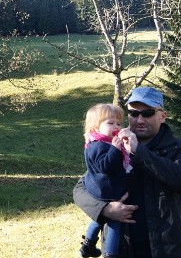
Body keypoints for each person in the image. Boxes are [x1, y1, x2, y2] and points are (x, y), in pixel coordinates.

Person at [73, 87, 181, 258]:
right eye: (133, 113)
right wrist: (104, 209)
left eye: (147, 113)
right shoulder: (113, 147)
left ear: (162, 116)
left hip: (167, 250)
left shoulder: (179, 147)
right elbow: (81, 189)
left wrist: (140, 152)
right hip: (121, 249)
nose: (140, 119)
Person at [79, 104, 133, 258]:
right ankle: (110, 253)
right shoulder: (97, 146)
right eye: (110, 123)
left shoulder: (104, 143)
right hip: (106, 189)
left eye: (119, 123)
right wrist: (115, 150)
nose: (116, 126)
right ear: (95, 127)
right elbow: (105, 166)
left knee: (100, 217)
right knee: (115, 220)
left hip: (104, 188)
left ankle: (88, 245)